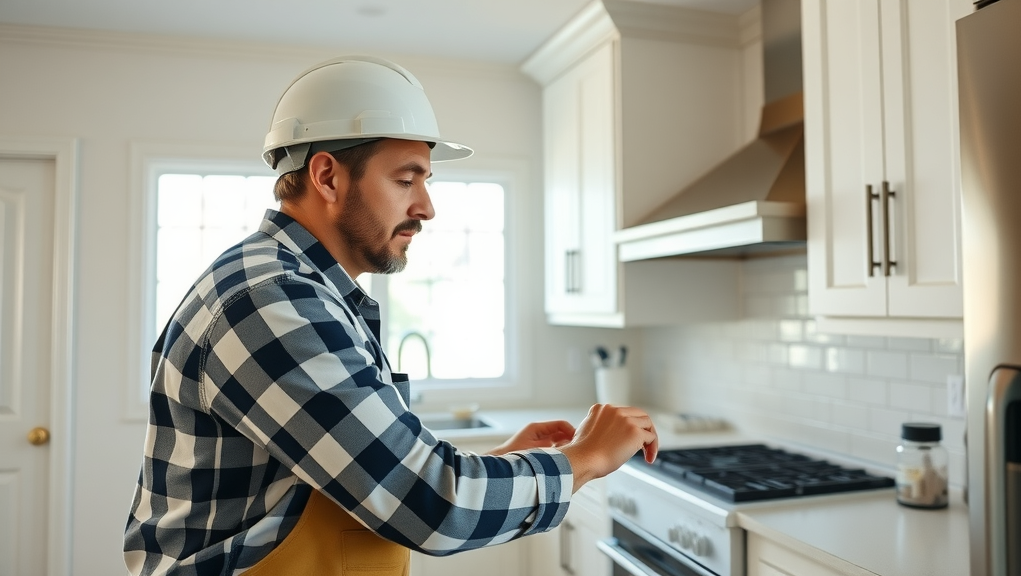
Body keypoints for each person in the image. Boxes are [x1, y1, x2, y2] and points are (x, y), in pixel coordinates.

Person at [123, 55, 658, 576]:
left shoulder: (305, 289)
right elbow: (431, 506)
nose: (426, 207)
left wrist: (499, 461)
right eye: (406, 180)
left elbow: (358, 479)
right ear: (327, 177)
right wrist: (586, 458)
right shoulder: (273, 301)